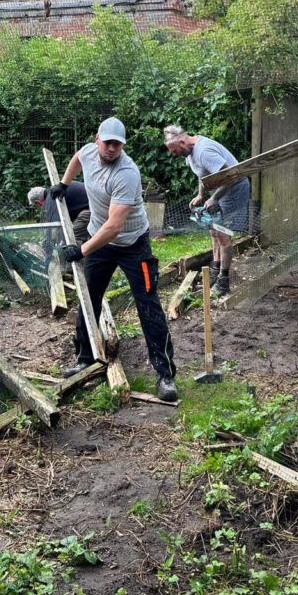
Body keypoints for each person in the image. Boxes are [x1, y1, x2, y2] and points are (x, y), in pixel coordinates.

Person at [51, 116, 178, 402]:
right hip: (100, 241)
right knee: (88, 297)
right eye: (107, 142)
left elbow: (114, 227)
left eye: (117, 145)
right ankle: (85, 358)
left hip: (133, 244)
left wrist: (82, 250)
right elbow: (76, 159)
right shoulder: (87, 152)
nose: (111, 148)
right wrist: (64, 183)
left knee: (148, 305)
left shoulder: (127, 174)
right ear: (97, 139)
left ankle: (165, 374)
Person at [163, 125, 250, 297]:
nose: (174, 155)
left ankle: (223, 282)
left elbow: (230, 176)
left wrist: (214, 198)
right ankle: (214, 274)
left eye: (174, 151)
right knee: (214, 232)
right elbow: (202, 174)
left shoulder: (204, 152)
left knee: (223, 236)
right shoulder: (189, 152)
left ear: (182, 141)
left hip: (234, 189)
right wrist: (201, 194)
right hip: (221, 190)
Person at [27, 182, 91, 247]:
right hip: (95, 204)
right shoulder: (57, 189)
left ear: (38, 202)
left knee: (73, 240)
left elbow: (55, 227)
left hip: (89, 210)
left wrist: (48, 244)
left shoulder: (51, 200)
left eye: (36, 205)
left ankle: (80, 255)